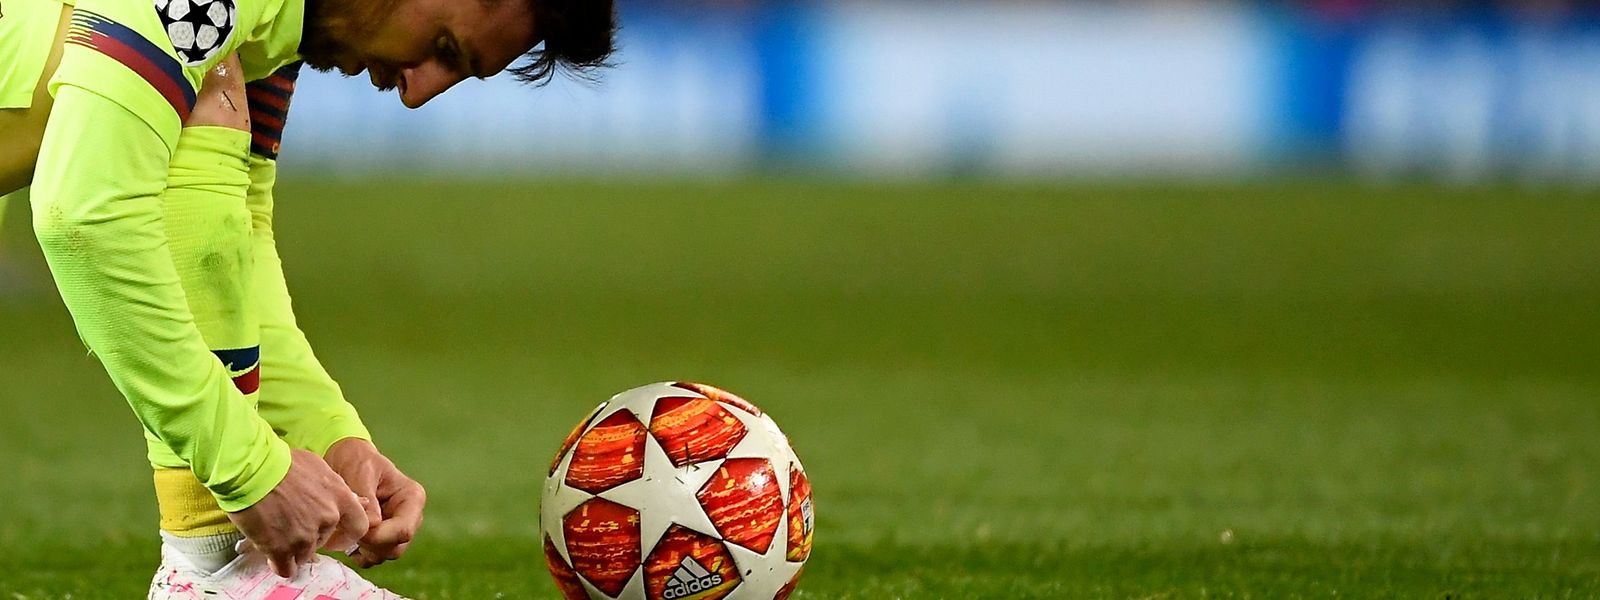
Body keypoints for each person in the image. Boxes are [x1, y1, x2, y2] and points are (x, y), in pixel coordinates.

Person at [0, 0, 616, 596]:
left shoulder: (267, 30)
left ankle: (216, 567)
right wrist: (247, 468)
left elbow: (234, 234)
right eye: (443, 49)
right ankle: (213, 570)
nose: (418, 91)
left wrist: (328, 435)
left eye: (458, 73)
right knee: (200, 94)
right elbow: (86, 216)